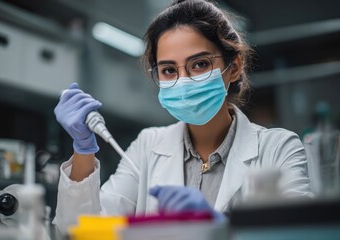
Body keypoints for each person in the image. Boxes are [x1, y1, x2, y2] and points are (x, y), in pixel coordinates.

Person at [53, 0, 313, 234]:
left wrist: (218, 228)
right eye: (168, 70)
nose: (184, 81)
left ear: (233, 68)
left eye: (199, 64)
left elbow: (304, 232)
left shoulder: (278, 148)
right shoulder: (147, 146)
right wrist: (84, 149)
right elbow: (81, 230)